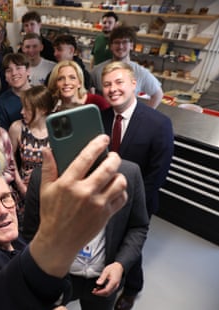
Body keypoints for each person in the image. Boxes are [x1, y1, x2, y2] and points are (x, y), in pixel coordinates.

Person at [0, 133, 129, 309]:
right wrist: (54, 235)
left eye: (6, 197)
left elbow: (59, 290)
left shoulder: (14, 240)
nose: (3, 211)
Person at [22, 155, 149, 310]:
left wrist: (120, 264)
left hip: (104, 279)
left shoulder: (128, 173)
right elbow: (30, 234)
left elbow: (138, 227)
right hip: (58, 278)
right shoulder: (43, 177)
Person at [100, 61, 174, 310]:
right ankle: (109, 276)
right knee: (108, 241)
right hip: (105, 198)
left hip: (139, 201)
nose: (113, 89)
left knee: (130, 244)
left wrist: (131, 202)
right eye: (107, 84)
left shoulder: (159, 123)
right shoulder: (102, 117)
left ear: (134, 84)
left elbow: (158, 173)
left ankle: (132, 288)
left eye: (119, 82)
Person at [91, 26, 163, 108]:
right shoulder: (97, 71)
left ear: (131, 45)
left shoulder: (140, 72)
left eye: (125, 42)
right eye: (117, 42)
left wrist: (143, 116)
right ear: (111, 46)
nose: (120, 46)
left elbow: (158, 95)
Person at [8, 85, 53, 196]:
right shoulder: (17, 128)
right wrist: (20, 185)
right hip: (25, 190)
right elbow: (9, 159)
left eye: (27, 108)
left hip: (50, 188)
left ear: (43, 110)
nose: (22, 112)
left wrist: (40, 175)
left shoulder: (55, 129)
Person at [0, 53, 32, 130]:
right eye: (9, 70)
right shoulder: (0, 103)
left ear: (28, 70)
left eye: (18, 68)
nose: (14, 73)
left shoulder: (41, 94)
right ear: (5, 76)